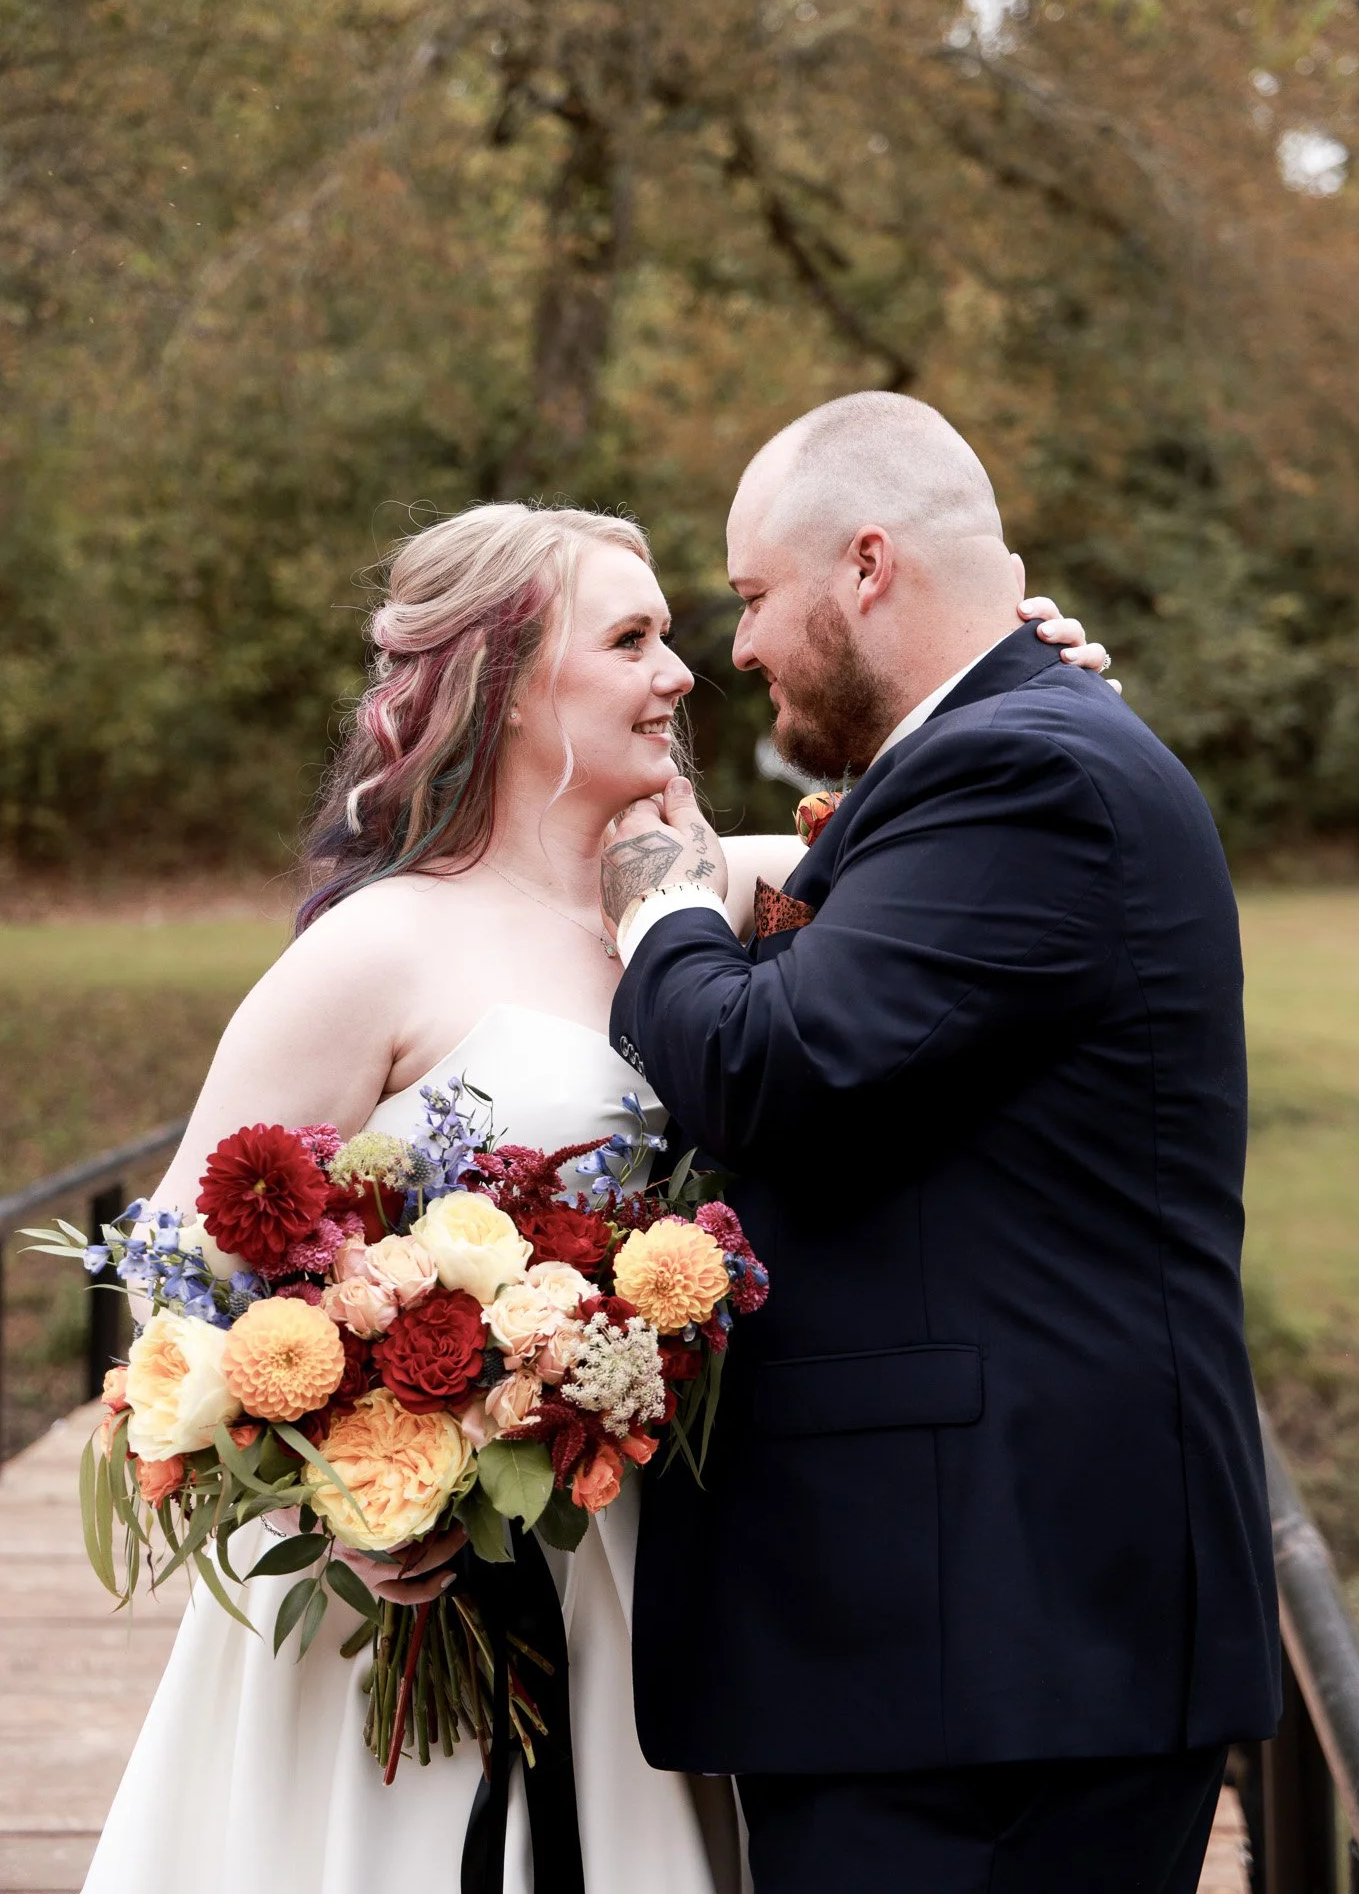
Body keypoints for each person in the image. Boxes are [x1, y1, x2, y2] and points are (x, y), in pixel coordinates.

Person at [83, 496, 1108, 1894]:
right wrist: (333, 1501)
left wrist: (1029, 669)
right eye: (631, 639)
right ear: (503, 686)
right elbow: (170, 1288)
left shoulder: (728, 890)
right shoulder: (377, 950)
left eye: (675, 636)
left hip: (642, 1561)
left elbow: (969, 816)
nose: (680, 674)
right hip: (413, 1600)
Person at [602, 392, 1281, 1894]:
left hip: (988, 1646)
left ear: (864, 565)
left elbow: (764, 1067)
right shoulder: (1005, 750)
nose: (740, 647)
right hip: (964, 1641)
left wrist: (656, 900)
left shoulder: (1022, 773)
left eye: (754, 594)